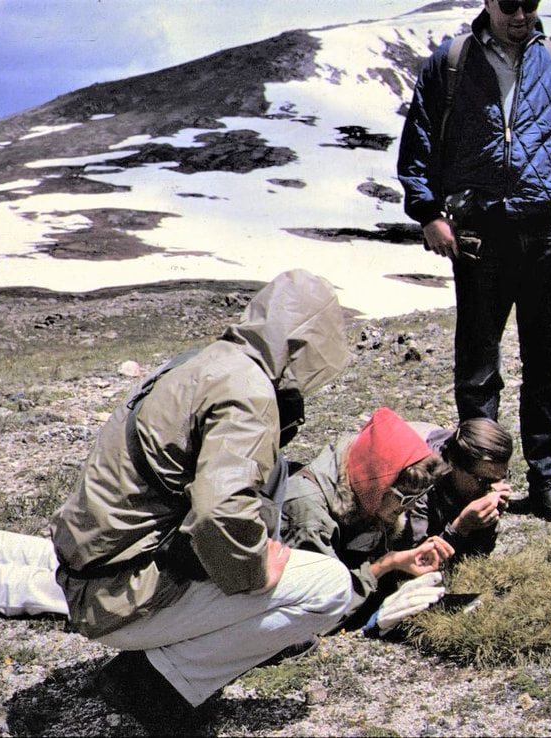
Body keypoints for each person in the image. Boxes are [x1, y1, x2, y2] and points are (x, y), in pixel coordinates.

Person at [45, 269, 355, 725]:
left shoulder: (203, 363)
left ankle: (154, 668)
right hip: (122, 595)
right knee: (330, 586)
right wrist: (255, 571)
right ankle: (156, 684)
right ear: (305, 343)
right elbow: (220, 511)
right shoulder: (249, 390)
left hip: (94, 578)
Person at [397, 0, 551, 522]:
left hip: (545, 235)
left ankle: (549, 481)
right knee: (478, 368)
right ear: (487, 2)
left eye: (530, 3)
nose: (520, 14)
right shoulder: (450, 63)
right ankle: (479, 483)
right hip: (479, 235)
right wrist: (428, 213)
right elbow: (418, 143)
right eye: (509, 3)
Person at [273, 407, 455, 634]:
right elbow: (317, 610)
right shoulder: (309, 516)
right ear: (379, 484)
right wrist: (384, 566)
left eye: (418, 497)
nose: (410, 506)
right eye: (406, 498)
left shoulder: (363, 486)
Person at [400, 417, 515, 564]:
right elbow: (414, 562)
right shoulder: (418, 484)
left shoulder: (479, 474)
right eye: (484, 481)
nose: (493, 488)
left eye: (501, 478)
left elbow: (476, 557)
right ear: (454, 464)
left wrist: (488, 520)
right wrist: (461, 526)